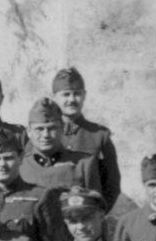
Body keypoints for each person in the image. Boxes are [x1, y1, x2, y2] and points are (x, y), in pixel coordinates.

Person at [52, 66, 124, 212]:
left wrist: (98, 214)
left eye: (77, 94)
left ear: (84, 95)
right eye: (66, 94)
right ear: (55, 98)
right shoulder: (47, 134)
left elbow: (112, 185)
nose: (72, 100)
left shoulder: (99, 135)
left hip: (88, 216)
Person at [20, 98, 99, 197]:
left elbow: (96, 207)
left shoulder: (84, 164)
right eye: (39, 129)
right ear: (29, 132)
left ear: (62, 129)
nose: (46, 135)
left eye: (52, 128)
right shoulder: (20, 165)